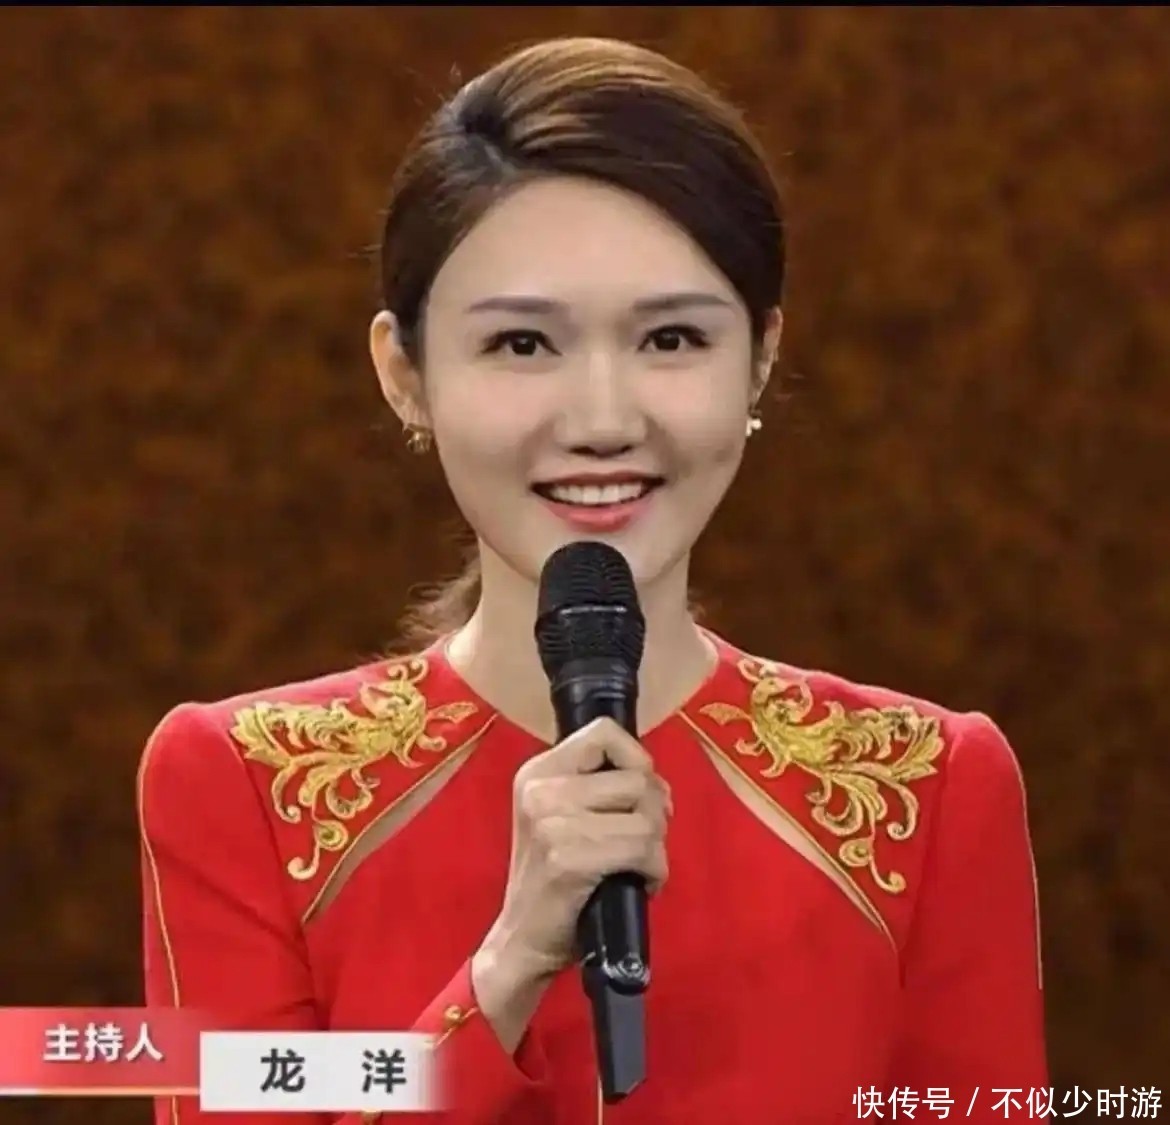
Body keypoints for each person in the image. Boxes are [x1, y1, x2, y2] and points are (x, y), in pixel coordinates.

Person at [138, 35, 1048, 1125]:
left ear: (761, 358)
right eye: (523, 345)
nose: (605, 420)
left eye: (672, 337)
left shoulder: (925, 790)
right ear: (404, 374)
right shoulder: (244, 788)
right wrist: (507, 967)